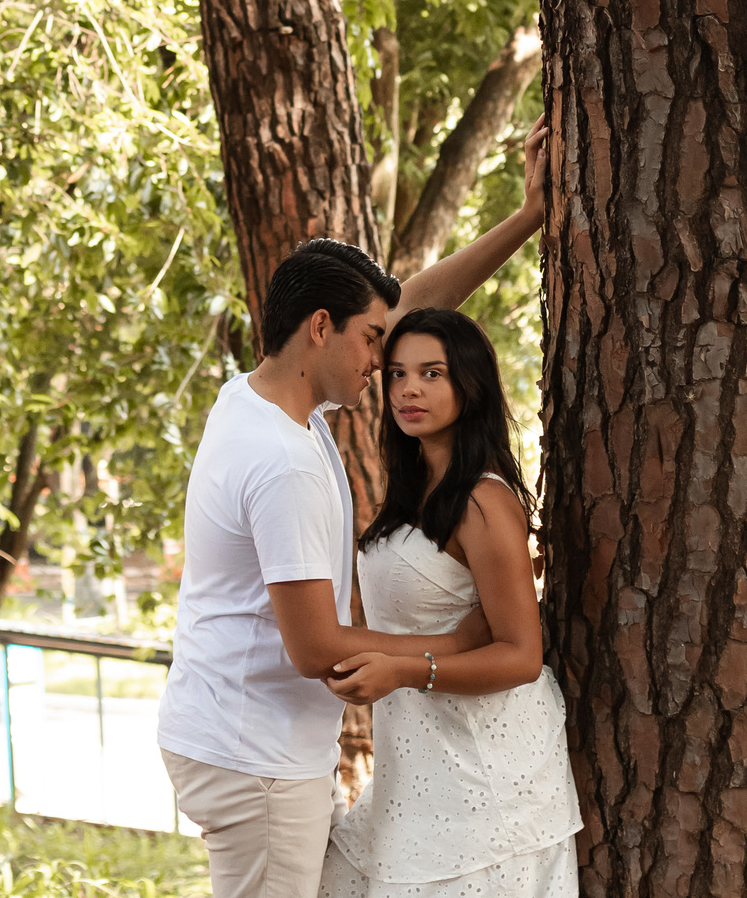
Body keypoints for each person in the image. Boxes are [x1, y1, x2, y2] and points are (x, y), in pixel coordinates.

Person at [156, 121, 549, 898]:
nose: (385, 361)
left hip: (229, 733)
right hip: (256, 755)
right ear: (320, 328)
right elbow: (316, 649)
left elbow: (415, 307)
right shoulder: (284, 463)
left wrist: (528, 217)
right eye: (373, 342)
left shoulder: (259, 399)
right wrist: (461, 639)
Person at [319, 308, 581, 898]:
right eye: (397, 373)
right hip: (414, 767)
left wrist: (405, 671)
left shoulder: (485, 502)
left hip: (484, 772)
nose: (409, 388)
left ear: (471, 383)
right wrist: (450, 644)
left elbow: (520, 656)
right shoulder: (412, 493)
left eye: (432, 373)